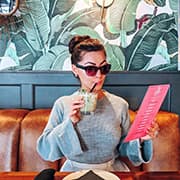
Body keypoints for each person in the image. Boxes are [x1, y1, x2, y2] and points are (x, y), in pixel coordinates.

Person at [36, 35, 159, 172]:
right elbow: (45, 150)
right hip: (73, 172)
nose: (99, 76)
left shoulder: (119, 104)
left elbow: (124, 149)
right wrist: (69, 123)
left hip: (112, 170)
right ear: (75, 69)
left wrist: (141, 138)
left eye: (104, 68)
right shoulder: (64, 104)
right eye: (91, 69)